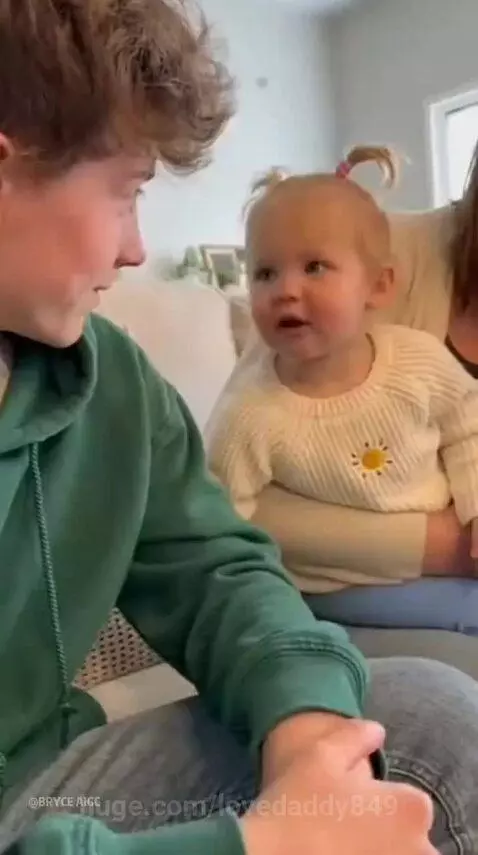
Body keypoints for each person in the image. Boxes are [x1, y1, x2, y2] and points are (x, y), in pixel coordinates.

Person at [0, 2, 476, 854]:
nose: (136, 249)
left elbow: (217, 568)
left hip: (42, 776)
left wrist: (309, 735)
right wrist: (257, 844)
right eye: (127, 191)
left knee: (433, 714)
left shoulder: (109, 378)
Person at [205, 146, 478, 612]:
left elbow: (467, 426)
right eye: (265, 273)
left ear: (380, 285)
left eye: (314, 268)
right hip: (334, 587)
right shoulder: (251, 413)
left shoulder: (418, 360)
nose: (287, 290)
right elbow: (215, 522)